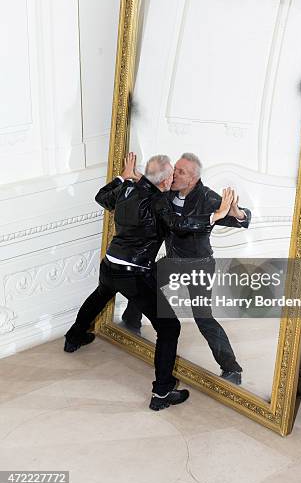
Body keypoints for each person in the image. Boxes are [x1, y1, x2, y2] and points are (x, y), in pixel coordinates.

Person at [64, 153, 233, 410]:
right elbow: (180, 224)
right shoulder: (159, 202)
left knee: (100, 294)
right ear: (164, 182)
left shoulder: (127, 189)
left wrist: (126, 175)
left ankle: (73, 338)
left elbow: (101, 197)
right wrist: (215, 216)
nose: (174, 178)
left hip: (110, 264)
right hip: (133, 273)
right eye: (171, 175)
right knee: (169, 328)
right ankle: (162, 393)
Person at [124, 152, 252, 385]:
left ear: (193, 178)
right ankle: (130, 321)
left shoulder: (208, 198)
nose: (174, 174)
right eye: (175, 170)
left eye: (180, 172)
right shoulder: (169, 190)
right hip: (173, 260)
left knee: (202, 317)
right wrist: (137, 176)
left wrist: (237, 212)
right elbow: (154, 185)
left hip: (199, 266)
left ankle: (231, 368)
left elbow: (240, 218)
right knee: (144, 281)